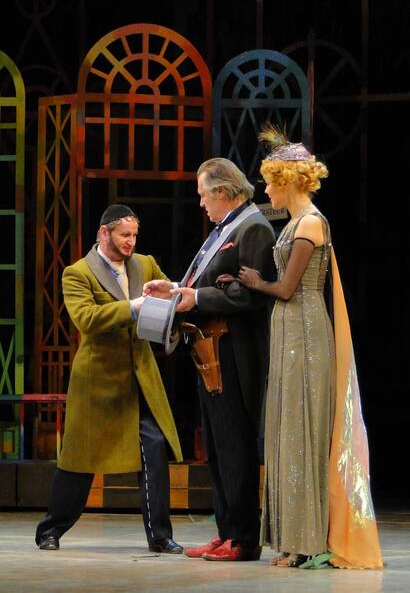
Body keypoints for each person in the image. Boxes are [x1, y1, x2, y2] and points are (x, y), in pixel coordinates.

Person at [219, 125, 383, 569]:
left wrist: (255, 282)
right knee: (287, 430)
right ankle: (292, 539)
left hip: (305, 332)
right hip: (290, 329)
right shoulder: (295, 222)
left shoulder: (310, 222)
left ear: (288, 181)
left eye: (271, 182)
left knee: (302, 430)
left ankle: (307, 540)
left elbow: (288, 288)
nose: (266, 190)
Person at [143, 158, 276, 561]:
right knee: (217, 447)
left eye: (203, 195)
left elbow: (250, 295)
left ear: (222, 191)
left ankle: (243, 539)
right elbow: (204, 284)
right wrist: (175, 290)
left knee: (235, 445)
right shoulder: (223, 230)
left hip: (234, 354)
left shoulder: (253, 228)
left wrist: (196, 297)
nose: (201, 203)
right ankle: (226, 530)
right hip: (208, 351)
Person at [35, 204, 183, 554]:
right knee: (79, 460)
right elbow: (86, 318)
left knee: (153, 448)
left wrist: (172, 294)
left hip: (139, 376)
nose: (131, 241)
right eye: (124, 235)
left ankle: (160, 536)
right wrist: (133, 307)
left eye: (135, 235)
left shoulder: (145, 264)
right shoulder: (78, 273)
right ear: (104, 233)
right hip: (98, 379)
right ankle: (51, 529)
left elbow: (172, 297)